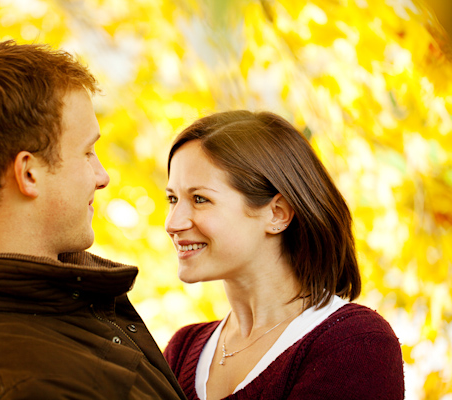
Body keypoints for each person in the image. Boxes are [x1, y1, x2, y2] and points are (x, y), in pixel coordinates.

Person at [0, 40, 187, 400]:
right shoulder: (27, 383)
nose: (102, 176)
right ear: (29, 174)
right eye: (87, 152)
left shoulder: (52, 303)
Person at [163, 110, 404, 399]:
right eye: (172, 199)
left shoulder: (354, 343)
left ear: (277, 214)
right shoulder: (182, 351)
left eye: (200, 199)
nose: (172, 223)